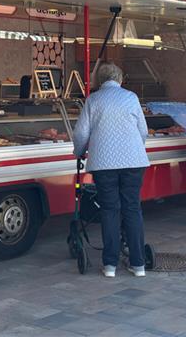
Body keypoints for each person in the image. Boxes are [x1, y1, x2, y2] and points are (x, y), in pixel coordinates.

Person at [72, 62, 150, 277]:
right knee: (132, 209)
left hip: (104, 163)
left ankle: (109, 265)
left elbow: (80, 134)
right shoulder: (131, 97)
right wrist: (132, 148)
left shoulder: (93, 100)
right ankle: (138, 264)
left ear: (99, 80)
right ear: (120, 79)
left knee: (110, 210)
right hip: (134, 162)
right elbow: (142, 130)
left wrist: (78, 152)